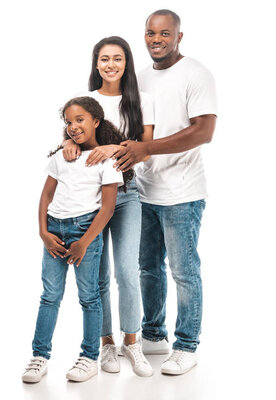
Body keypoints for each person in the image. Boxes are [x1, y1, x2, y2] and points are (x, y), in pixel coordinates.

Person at [113, 9, 217, 375]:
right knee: (148, 269)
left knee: (184, 272)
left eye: (164, 33)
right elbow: (132, 131)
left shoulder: (196, 74)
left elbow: (204, 131)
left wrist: (147, 150)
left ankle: (186, 345)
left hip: (183, 194)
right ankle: (154, 336)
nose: (156, 39)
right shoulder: (139, 80)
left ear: (179, 36)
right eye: (150, 33)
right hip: (144, 192)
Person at [62, 36, 154, 377]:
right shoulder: (88, 101)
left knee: (127, 271)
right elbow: (74, 132)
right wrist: (67, 142)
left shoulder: (141, 100)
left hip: (127, 193)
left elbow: (144, 147)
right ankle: (106, 344)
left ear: (126, 63)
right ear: (96, 63)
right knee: (98, 275)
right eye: (104, 59)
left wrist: (114, 148)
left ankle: (133, 342)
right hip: (89, 198)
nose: (110, 64)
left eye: (117, 58)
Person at [22, 96, 127, 384]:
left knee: (89, 297)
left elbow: (106, 209)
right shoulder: (61, 156)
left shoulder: (107, 161)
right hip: (55, 231)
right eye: (68, 121)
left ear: (96, 121)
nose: (73, 126)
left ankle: (89, 357)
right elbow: (45, 196)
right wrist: (44, 233)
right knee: (50, 296)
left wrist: (84, 242)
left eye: (80, 119)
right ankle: (39, 356)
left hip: (86, 233)